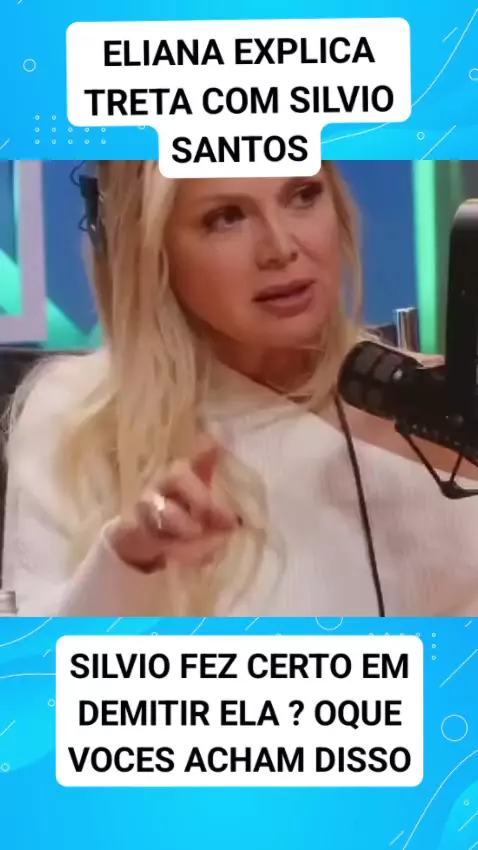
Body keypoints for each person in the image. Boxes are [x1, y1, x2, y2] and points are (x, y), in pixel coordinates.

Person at [3, 161, 478, 618]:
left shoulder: (430, 400)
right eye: (225, 217)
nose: (281, 248)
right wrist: (128, 563)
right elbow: (43, 666)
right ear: (148, 247)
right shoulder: (78, 421)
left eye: (303, 195)